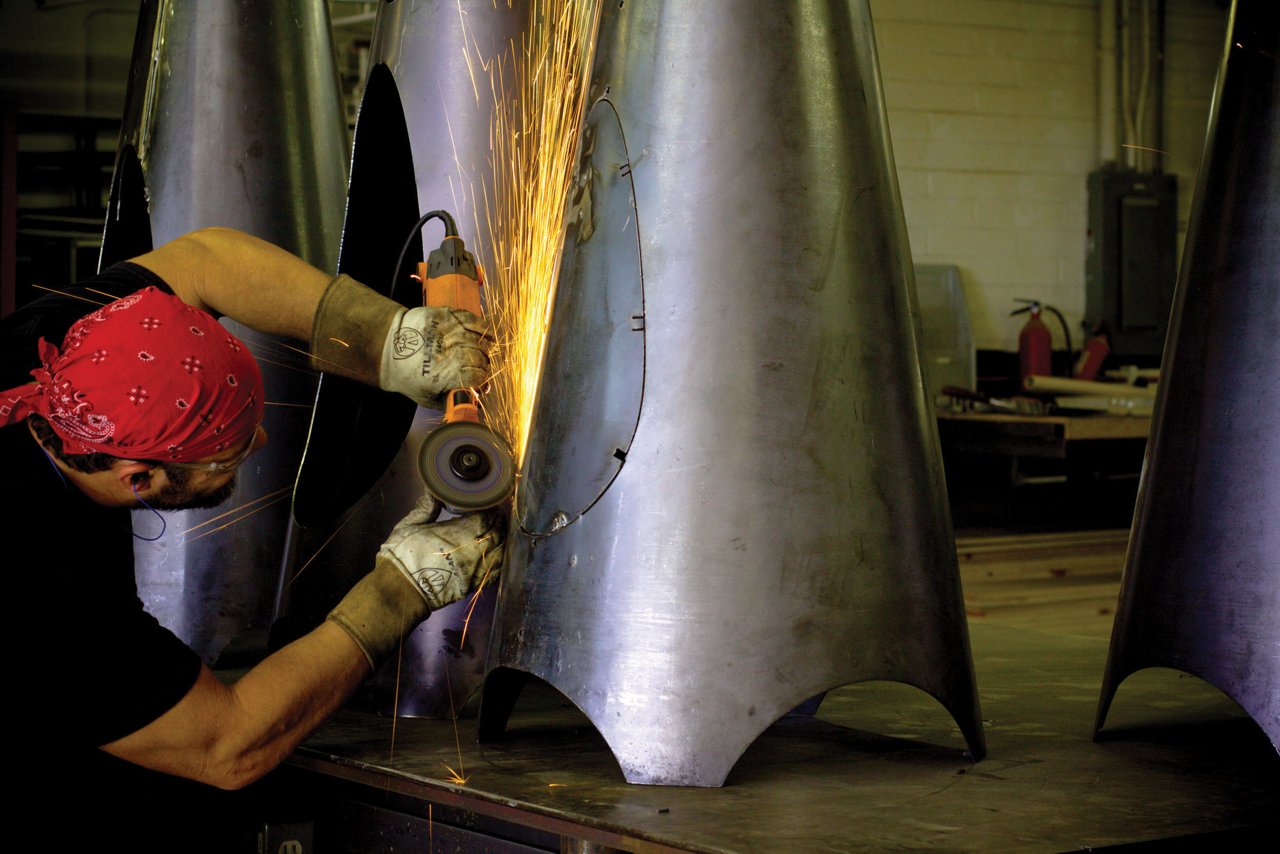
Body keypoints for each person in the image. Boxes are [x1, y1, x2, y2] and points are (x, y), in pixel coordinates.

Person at [1, 227, 505, 841]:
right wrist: (402, 590)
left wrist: (389, 341)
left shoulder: (59, 345)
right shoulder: (45, 603)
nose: (259, 442)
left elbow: (206, 260)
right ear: (140, 475)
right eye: (226, 455)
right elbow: (227, 745)